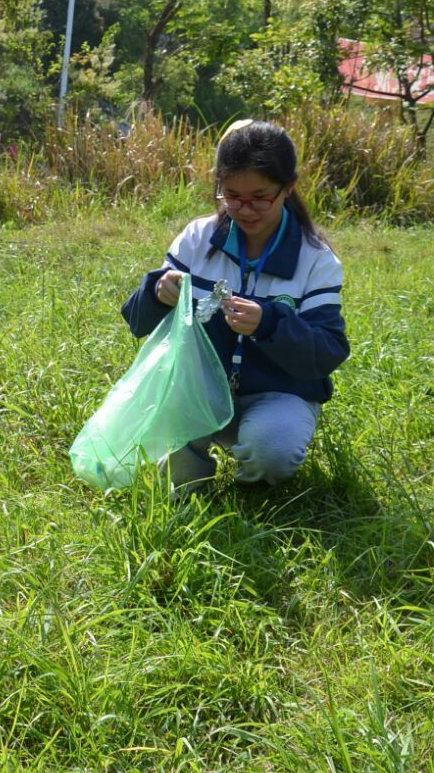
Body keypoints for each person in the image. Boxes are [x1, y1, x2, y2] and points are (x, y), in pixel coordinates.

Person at [121, 121, 349, 494]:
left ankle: (252, 490)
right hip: (200, 390)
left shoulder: (315, 260)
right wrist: (156, 293)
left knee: (272, 450)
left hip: (279, 395)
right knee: (179, 475)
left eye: (260, 197)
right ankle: (191, 489)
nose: (245, 210)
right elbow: (137, 320)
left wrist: (270, 324)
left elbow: (326, 353)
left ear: (288, 188)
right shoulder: (198, 238)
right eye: (232, 196)